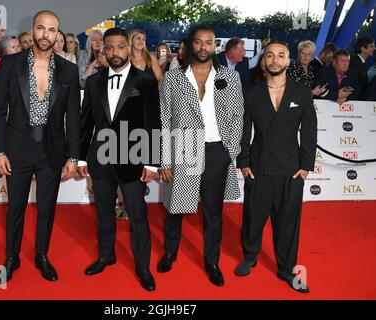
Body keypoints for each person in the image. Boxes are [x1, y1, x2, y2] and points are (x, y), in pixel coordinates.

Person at [0, 10, 80, 283]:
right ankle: (12, 256)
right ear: (33, 29)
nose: (45, 35)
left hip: (52, 150)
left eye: (52, 30)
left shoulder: (69, 70)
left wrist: (74, 156)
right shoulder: (9, 64)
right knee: (15, 207)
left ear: (57, 34)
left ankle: (42, 255)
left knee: (47, 207)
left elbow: (73, 116)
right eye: (41, 28)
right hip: (17, 148)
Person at [159, 25, 244, 287]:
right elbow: (164, 119)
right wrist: (165, 159)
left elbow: (238, 115)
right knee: (176, 207)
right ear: (190, 45)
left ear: (215, 46)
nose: (204, 47)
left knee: (212, 211)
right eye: (198, 42)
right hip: (184, 146)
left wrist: (232, 151)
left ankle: (212, 261)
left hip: (218, 150)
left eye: (209, 42)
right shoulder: (173, 79)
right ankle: (170, 252)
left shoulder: (230, 78)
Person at [77, 27, 160, 291]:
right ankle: (106, 255)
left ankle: (143, 267)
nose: (114, 52)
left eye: (120, 46)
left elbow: (153, 124)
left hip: (134, 160)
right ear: (102, 51)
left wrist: (151, 162)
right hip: (100, 159)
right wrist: (80, 158)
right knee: (103, 213)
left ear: (128, 47)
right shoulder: (93, 82)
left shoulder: (145, 81)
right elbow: (85, 122)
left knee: (138, 215)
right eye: (109, 48)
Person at [236, 41, 317, 294]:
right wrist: (244, 162)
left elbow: (310, 132)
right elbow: (244, 130)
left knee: (288, 223)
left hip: (290, 170)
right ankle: (250, 256)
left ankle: (287, 268)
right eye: (270, 55)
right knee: (253, 217)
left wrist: (305, 167)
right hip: (258, 167)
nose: (274, 60)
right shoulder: (251, 93)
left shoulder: (302, 93)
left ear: (288, 60)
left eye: (280, 55)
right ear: (264, 61)